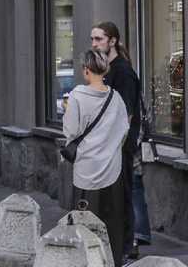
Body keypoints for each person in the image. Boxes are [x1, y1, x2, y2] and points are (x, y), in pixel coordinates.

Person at [63, 48, 129, 267]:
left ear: (86, 69)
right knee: (112, 225)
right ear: (105, 69)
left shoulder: (77, 96)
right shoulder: (115, 97)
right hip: (112, 170)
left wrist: (66, 111)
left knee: (83, 224)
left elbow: (72, 131)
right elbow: (123, 130)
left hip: (86, 171)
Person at [92, 20, 144, 260]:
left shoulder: (122, 71)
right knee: (112, 200)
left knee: (122, 199)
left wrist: (116, 146)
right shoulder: (108, 69)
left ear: (112, 41)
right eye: (92, 39)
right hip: (109, 146)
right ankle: (115, 250)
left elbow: (127, 115)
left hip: (120, 147)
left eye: (99, 39)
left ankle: (122, 253)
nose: (94, 44)